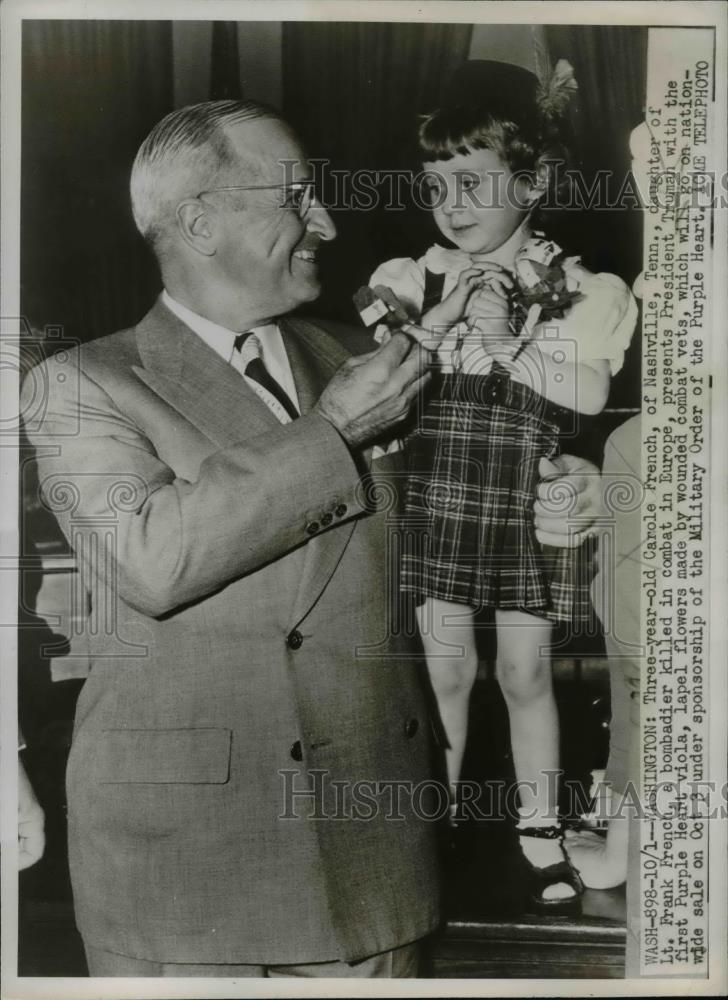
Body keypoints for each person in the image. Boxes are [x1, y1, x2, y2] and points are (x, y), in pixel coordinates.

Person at [21, 99, 602, 977]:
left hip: (374, 858)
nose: (326, 223)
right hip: (191, 869)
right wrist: (329, 435)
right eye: (298, 197)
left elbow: (458, 497)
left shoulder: (356, 358)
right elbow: (150, 559)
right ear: (200, 220)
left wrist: (565, 493)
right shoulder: (81, 381)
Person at [369, 60, 637, 911]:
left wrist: (515, 344)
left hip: (530, 500)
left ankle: (538, 829)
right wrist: (433, 324)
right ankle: (430, 835)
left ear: (536, 181)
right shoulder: (417, 277)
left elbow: (591, 392)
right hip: (441, 493)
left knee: (526, 675)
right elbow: (374, 367)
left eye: (474, 182)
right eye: (435, 183)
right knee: (442, 675)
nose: (452, 203)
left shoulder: (581, 289)